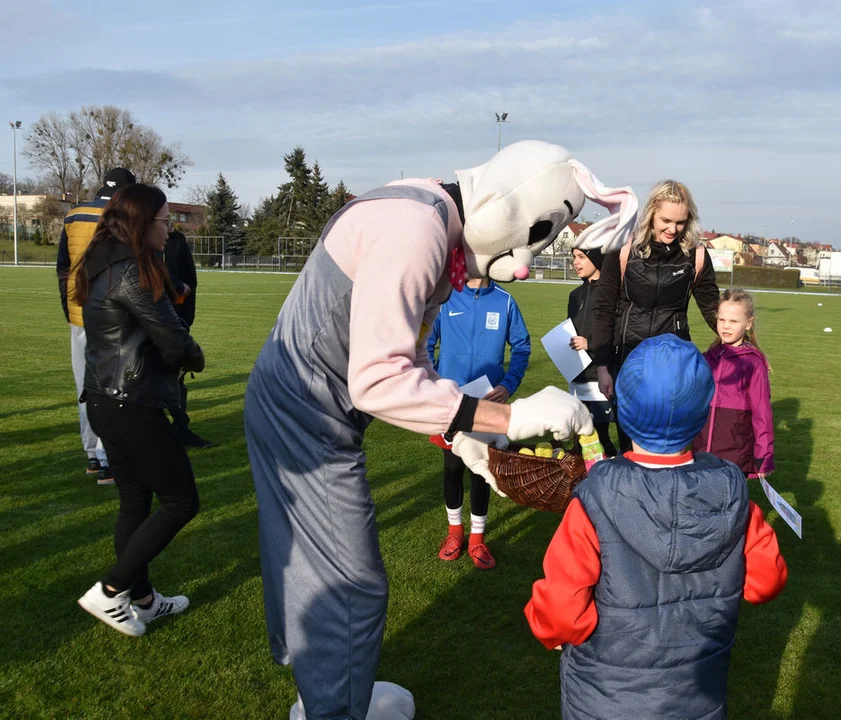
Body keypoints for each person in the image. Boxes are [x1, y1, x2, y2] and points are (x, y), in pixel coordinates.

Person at [243, 140, 638, 720]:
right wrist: (511, 417)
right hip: (304, 416)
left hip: (299, 406)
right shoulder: (417, 228)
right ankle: (333, 707)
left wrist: (467, 438)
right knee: (353, 585)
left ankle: (325, 691)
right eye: (532, 236)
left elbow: (407, 363)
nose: (524, 264)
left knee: (307, 564)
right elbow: (376, 381)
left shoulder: (428, 212)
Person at [524, 334, 788, 720]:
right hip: (696, 694)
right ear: (702, 413)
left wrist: (548, 629)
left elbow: (561, 610)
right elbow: (765, 581)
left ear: (624, 409)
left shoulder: (596, 495)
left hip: (605, 700)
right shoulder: (732, 491)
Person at [72, 184, 205, 638]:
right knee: (181, 501)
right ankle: (110, 591)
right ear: (142, 222)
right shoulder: (130, 271)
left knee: (134, 502)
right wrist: (195, 357)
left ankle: (143, 600)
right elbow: (174, 338)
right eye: (166, 220)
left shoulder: (103, 261)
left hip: (104, 402)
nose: (170, 230)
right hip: (132, 404)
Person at [591, 180, 720, 452]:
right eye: (666, 220)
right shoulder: (623, 249)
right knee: (632, 447)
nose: (673, 229)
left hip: (673, 369)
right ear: (651, 213)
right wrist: (602, 367)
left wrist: (741, 344)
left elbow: (712, 308)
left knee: (675, 446)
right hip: (627, 363)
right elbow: (602, 309)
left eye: (681, 222)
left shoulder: (695, 255)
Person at [426, 276, 531, 569]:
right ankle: (454, 533)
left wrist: (509, 384)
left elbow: (522, 347)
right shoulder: (447, 297)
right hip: (452, 402)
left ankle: (477, 539)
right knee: (452, 467)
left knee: (481, 470)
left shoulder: (505, 300)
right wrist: (437, 382)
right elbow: (426, 343)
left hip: (487, 403)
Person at [55, 167, 137, 485]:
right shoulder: (126, 215)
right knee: (113, 386)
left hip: (79, 312)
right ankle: (108, 459)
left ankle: (92, 454)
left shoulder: (74, 216)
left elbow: (63, 266)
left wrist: (68, 308)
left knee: (84, 387)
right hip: (112, 314)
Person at [692, 288, 774, 479]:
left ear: (748, 324)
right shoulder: (707, 358)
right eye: (722, 320)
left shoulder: (753, 363)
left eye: (733, 321)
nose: (726, 326)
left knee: (730, 506)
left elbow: (762, 414)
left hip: (735, 453)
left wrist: (764, 456)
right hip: (702, 449)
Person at [566, 246, 618, 459]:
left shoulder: (612, 292)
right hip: (576, 375)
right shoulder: (575, 295)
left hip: (599, 376)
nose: (576, 263)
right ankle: (583, 483)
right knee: (580, 438)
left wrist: (591, 343)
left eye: (581, 257)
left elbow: (616, 332)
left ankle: (611, 475)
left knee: (600, 436)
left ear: (596, 259)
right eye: (574, 258)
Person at [163, 223, 212, 448]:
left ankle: (180, 427)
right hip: (143, 321)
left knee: (176, 376)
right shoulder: (131, 241)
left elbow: (188, 282)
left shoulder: (176, 241)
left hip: (174, 319)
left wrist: (183, 322)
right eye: (162, 219)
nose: (168, 224)